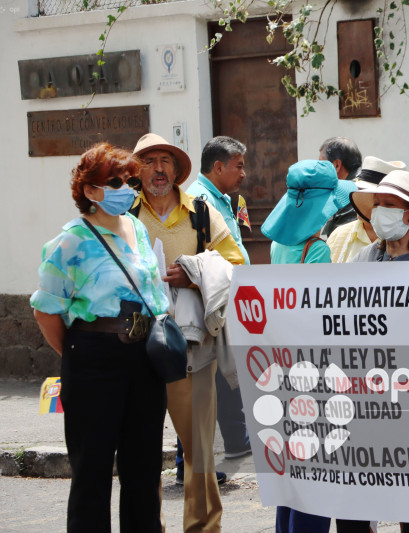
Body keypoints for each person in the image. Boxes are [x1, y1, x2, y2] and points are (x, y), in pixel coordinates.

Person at [31, 142, 169, 532]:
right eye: (116, 182)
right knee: (92, 470)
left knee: (144, 468)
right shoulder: (71, 240)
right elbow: (46, 311)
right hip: (93, 358)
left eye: (131, 181)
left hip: (144, 356)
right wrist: (80, 352)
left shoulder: (136, 228)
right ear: (90, 190)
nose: (128, 188)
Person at [131, 133, 245, 532]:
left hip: (191, 345)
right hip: (135, 345)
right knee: (141, 451)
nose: (158, 169)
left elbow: (235, 265)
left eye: (165, 160)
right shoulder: (124, 214)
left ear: (177, 169)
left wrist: (195, 273)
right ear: (137, 171)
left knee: (199, 450)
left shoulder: (201, 212)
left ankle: (203, 527)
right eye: (149, 161)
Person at [339, 168, 409, 533]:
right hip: (364, 395)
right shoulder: (363, 259)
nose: (379, 212)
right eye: (377, 204)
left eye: (389, 204)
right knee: (355, 498)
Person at [261, 159, 357, 533]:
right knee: (317, 469)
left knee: (292, 471)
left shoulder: (277, 245)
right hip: (314, 369)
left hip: (283, 363)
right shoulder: (317, 248)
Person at [185, 136, 252, 467]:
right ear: (218, 167)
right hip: (210, 302)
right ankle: (195, 462)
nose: (243, 173)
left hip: (227, 298)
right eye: (238, 166)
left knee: (227, 371)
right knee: (210, 379)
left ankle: (237, 440)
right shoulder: (199, 201)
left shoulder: (222, 199)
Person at [326, 156, 406, 263]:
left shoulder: (406, 240)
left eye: (367, 194)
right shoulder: (339, 235)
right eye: (358, 191)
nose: (358, 200)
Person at [319, 136, 362, 237]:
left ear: (336, 165)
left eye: (321, 164)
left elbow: (339, 239)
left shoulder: (346, 193)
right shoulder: (365, 182)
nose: (318, 170)